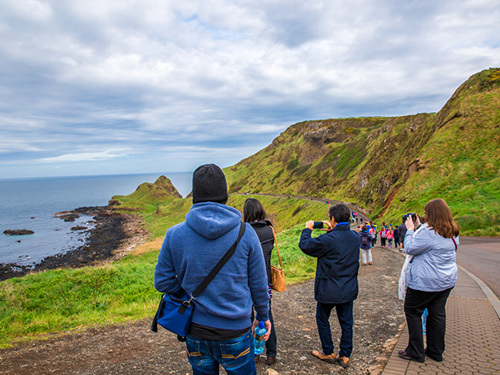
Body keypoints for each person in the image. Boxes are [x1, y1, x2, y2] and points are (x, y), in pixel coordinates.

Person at [154, 164, 271, 375]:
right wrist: (262, 317)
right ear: (225, 195)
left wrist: (188, 292)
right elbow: (259, 285)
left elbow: (162, 282)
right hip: (235, 329)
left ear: (194, 197)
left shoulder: (174, 234)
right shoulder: (247, 233)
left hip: (195, 329)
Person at [298, 204, 360, 369]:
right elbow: (340, 243)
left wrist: (308, 229)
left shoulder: (328, 240)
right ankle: (345, 355)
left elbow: (305, 245)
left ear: (332, 219)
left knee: (322, 319)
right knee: (346, 322)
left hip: (328, 289)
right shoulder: (355, 237)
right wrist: (332, 232)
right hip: (348, 288)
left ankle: (328, 351)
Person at [398, 198, 459, 363]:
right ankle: (435, 351)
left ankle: (415, 351)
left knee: (412, 311)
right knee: (437, 314)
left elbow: (410, 247)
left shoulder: (429, 232)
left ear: (431, 214)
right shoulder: (452, 231)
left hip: (425, 282)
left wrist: (410, 230)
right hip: (446, 281)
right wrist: (419, 227)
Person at [243, 198, 278, 366]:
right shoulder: (269, 230)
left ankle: (255, 353)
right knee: (266, 315)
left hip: (247, 281)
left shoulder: (245, 231)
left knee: (249, 318)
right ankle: (271, 354)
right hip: (265, 282)